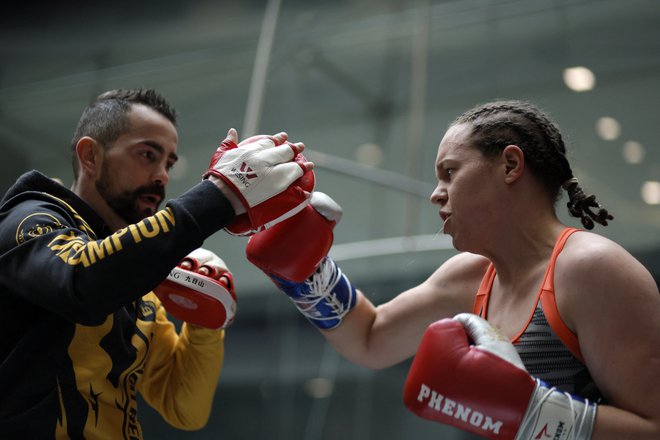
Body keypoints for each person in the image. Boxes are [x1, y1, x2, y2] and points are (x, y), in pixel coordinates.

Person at [247, 100, 660, 439]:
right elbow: (370, 338)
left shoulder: (591, 269)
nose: (435, 194)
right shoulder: (471, 276)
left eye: (450, 172)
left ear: (510, 166)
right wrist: (306, 274)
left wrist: (533, 413)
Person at [0, 88, 313, 439]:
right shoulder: (28, 220)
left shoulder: (136, 285)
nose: (162, 175)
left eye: (168, 163)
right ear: (90, 156)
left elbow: (183, 407)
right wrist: (220, 195)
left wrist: (206, 320)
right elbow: (82, 283)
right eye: (147, 155)